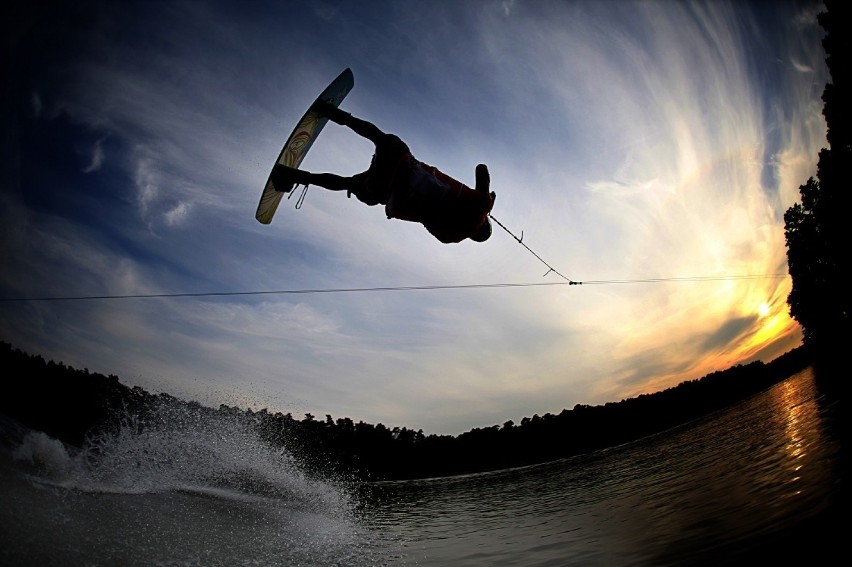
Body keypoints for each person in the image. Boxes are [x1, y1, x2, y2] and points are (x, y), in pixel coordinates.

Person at [271, 102, 496, 243]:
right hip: (386, 191)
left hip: (401, 165)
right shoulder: (452, 237)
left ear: (484, 223)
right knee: (347, 183)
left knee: (381, 138)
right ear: (474, 238)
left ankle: (332, 113)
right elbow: (427, 222)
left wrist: (486, 199)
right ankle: (293, 176)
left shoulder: (481, 207)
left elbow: (481, 169)